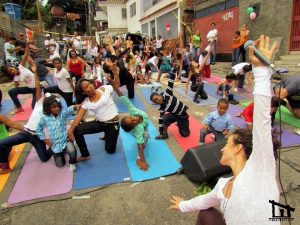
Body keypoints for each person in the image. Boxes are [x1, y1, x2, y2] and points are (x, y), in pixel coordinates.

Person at [169, 35, 280, 225]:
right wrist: (182, 205)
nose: (221, 148)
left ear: (238, 148)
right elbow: (203, 201)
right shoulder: (222, 185)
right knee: (206, 213)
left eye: (227, 144)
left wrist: (261, 71)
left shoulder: (260, 169)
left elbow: (261, 121)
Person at [0, 61, 53, 174]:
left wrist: (51, 142)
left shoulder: (52, 114)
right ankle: (5, 166)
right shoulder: (39, 103)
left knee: (44, 158)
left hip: (38, 136)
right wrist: (34, 72)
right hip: (26, 132)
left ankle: (56, 147)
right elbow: (37, 86)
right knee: (1, 144)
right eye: (46, 99)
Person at [67, 79, 120, 161]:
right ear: (83, 92)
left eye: (89, 84)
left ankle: (107, 134)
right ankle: (85, 155)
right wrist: (70, 130)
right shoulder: (86, 102)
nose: (90, 86)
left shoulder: (104, 89)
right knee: (77, 130)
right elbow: (79, 116)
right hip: (100, 123)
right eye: (87, 87)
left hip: (113, 124)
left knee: (110, 150)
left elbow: (116, 85)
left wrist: (116, 74)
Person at [108, 77, 151, 171]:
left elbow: (123, 98)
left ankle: (131, 132)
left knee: (143, 136)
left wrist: (114, 86)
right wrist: (142, 160)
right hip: (141, 131)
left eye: (131, 118)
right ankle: (138, 159)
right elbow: (139, 144)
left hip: (137, 129)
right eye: (133, 122)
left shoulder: (133, 111)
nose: (134, 119)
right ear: (133, 127)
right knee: (145, 138)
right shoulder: (139, 128)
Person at [36, 95, 78, 171]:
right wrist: (45, 140)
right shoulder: (45, 118)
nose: (57, 108)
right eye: (54, 107)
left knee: (72, 150)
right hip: (55, 144)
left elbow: (68, 110)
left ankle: (72, 162)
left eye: (58, 106)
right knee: (60, 164)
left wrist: (75, 107)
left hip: (65, 139)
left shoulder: (62, 114)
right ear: (48, 108)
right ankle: (61, 152)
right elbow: (38, 129)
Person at [150, 71, 190, 139]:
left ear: (159, 95)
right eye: (155, 101)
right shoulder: (162, 108)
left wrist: (172, 71)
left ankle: (180, 123)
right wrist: (161, 133)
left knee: (185, 134)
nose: (157, 101)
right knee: (163, 118)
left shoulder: (167, 93)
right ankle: (165, 135)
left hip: (182, 114)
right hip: (174, 115)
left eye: (157, 98)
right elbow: (160, 120)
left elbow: (170, 82)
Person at [1, 43, 37, 112]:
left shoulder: (21, 67)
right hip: (30, 88)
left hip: (37, 88)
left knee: (34, 107)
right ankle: (19, 108)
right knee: (11, 91)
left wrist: (27, 44)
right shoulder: (16, 78)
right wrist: (15, 101)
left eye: (11, 69)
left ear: (13, 67)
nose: (12, 71)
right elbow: (16, 89)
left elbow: (26, 55)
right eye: (10, 72)